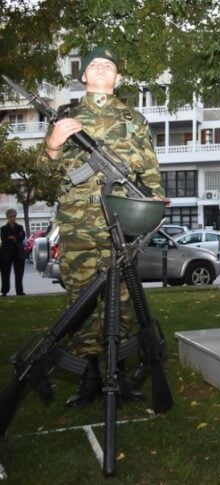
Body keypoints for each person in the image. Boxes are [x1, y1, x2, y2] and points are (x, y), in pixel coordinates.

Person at [37, 46, 165, 406]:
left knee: (121, 299)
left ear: (117, 78)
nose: (101, 69)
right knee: (81, 298)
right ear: (83, 76)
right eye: (95, 65)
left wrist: (154, 198)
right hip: (77, 224)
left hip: (120, 220)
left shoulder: (134, 119)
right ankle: (89, 375)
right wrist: (52, 145)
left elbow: (151, 168)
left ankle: (117, 372)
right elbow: (45, 176)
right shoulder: (65, 117)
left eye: (109, 65)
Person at [1, 208, 26, 296]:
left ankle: (19, 291)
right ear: (7, 217)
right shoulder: (3, 228)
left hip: (18, 253)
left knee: (19, 274)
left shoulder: (20, 227)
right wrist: (14, 238)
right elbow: (4, 239)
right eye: (10, 216)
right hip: (6, 254)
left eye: (14, 216)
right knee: (5, 274)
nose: (12, 218)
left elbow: (22, 236)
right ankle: (4, 291)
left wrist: (13, 238)